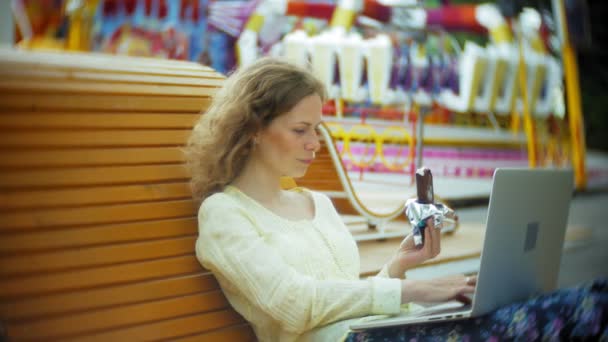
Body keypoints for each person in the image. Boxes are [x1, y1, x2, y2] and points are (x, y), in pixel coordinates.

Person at [186, 58, 607, 342]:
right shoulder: (225, 215)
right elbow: (293, 307)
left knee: (559, 307)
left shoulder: (318, 203)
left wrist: (400, 267)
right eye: (301, 130)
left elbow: (348, 296)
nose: (315, 143)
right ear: (253, 128)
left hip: (380, 331)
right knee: (569, 313)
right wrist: (414, 290)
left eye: (317, 128)